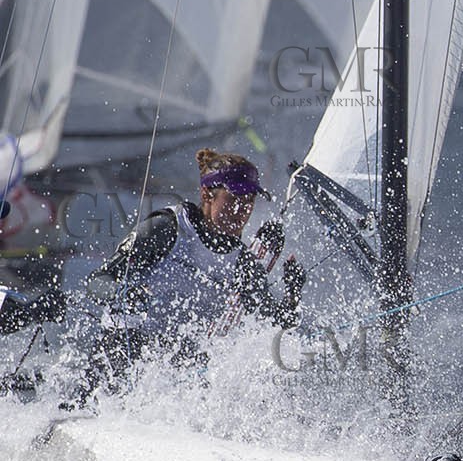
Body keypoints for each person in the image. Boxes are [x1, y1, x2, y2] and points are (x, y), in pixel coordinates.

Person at [68, 148, 305, 404]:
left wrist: (293, 293)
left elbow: (275, 324)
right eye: (233, 199)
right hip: (122, 356)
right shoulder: (167, 228)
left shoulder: (243, 264)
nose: (241, 211)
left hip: (176, 378)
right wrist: (123, 293)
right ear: (207, 195)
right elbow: (98, 281)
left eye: (248, 202)